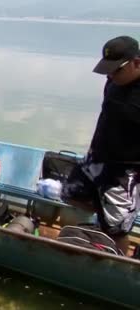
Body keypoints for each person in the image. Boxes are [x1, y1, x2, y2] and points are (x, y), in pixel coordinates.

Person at [68, 36, 140, 253]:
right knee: (71, 193)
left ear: (136, 62)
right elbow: (106, 116)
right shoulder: (113, 81)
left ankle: (119, 265)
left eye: (116, 70)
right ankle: (102, 224)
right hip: (98, 157)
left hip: (127, 168)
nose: (110, 75)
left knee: (117, 228)